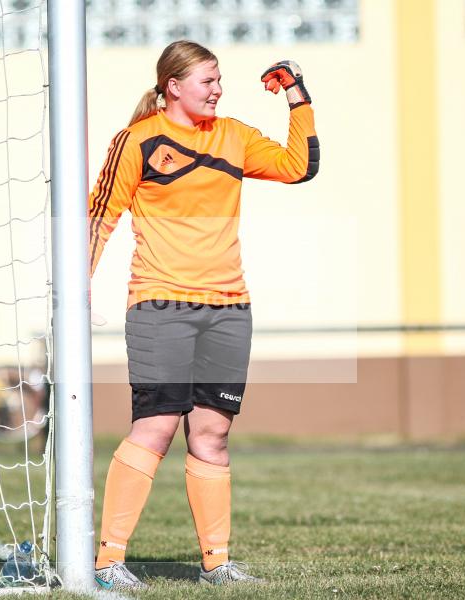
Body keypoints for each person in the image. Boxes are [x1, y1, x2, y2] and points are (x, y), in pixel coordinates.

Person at [88, 40, 319, 590]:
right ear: (173, 86)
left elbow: (299, 166)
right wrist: (78, 287)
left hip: (229, 309)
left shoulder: (234, 136)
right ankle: (108, 563)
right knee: (157, 426)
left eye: (219, 81)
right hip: (160, 304)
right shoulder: (138, 141)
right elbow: (100, 215)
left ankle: (217, 564)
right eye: (207, 81)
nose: (218, 89)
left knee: (212, 433)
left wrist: (296, 96)